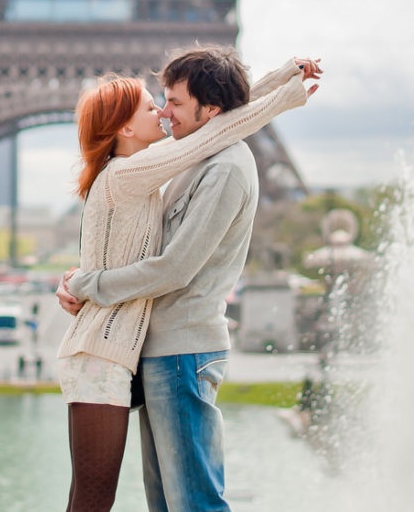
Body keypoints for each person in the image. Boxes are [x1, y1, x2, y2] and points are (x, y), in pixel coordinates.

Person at [56, 45, 321, 511]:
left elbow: (174, 266)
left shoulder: (221, 165)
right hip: (139, 353)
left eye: (172, 102)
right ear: (123, 126)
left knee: (185, 501)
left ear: (209, 108)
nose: (163, 112)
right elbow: (218, 120)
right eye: (156, 103)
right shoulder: (159, 164)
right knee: (154, 500)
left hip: (179, 351)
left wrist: (284, 86)